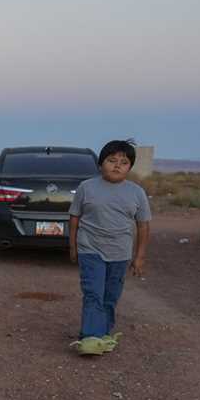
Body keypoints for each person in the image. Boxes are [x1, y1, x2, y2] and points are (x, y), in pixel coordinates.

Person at [68, 139, 151, 355]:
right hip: (90, 248)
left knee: (110, 296)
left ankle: (103, 333)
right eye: (111, 160)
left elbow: (143, 225)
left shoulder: (136, 192)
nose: (117, 166)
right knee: (93, 292)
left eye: (123, 162)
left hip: (120, 252)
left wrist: (139, 257)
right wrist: (73, 246)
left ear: (130, 167)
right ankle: (90, 337)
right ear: (100, 164)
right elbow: (75, 217)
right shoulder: (87, 187)